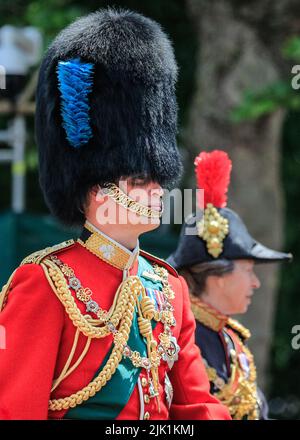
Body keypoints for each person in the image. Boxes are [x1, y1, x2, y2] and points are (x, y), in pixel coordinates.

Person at [0, 9, 231, 420]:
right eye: (141, 178)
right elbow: (16, 409)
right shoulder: (46, 283)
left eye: (158, 177)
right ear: (97, 187)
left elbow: (197, 408)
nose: (159, 189)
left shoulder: (170, 288)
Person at [167, 150, 292, 420]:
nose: (256, 283)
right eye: (248, 271)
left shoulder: (232, 339)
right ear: (219, 276)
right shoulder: (177, 334)